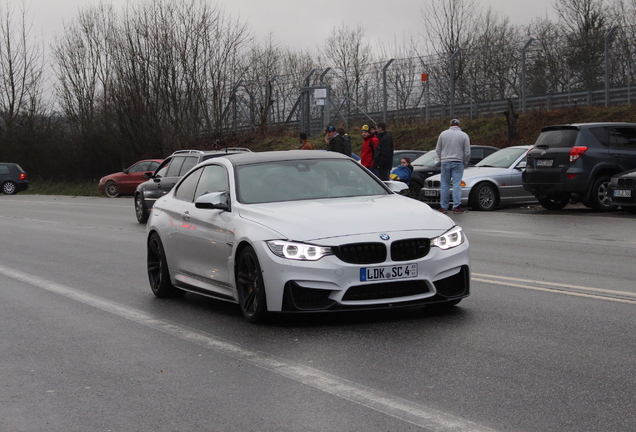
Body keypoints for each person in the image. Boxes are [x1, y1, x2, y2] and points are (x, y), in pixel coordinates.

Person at [436, 118, 471, 214]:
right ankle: (456, 206)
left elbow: (438, 149)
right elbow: (467, 152)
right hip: (458, 162)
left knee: (444, 185)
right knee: (456, 184)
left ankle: (443, 207)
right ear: (459, 125)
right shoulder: (463, 135)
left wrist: (441, 159)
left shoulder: (443, 134)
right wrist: (465, 162)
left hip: (445, 162)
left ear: (450, 125)